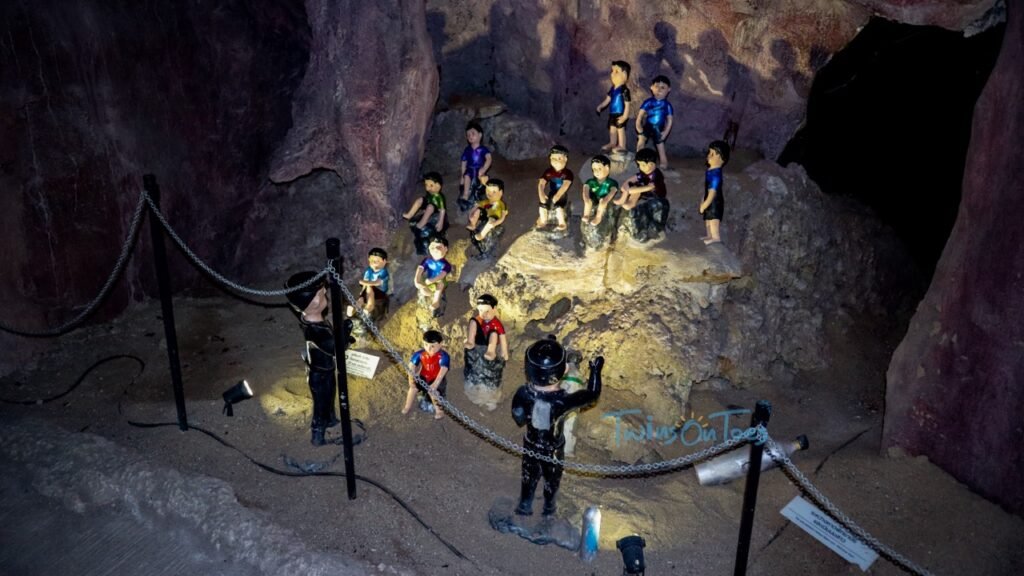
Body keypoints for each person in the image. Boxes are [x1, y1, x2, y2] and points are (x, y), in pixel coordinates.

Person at [512, 336, 604, 516]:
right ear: (565, 370)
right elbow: (592, 394)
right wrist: (595, 371)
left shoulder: (523, 393)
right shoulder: (562, 401)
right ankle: (548, 509)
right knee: (551, 480)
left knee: (528, 477)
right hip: (553, 448)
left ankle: (525, 505)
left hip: (531, 443)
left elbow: (519, 417)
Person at [285, 271, 339, 446]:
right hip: (320, 374)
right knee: (321, 404)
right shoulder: (317, 330)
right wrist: (345, 332)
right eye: (323, 294)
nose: (326, 297)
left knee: (330, 396)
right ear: (315, 302)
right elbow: (333, 347)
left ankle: (331, 419)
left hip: (325, 370)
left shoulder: (311, 321)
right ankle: (318, 432)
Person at [402, 329, 450, 420]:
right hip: (423, 376)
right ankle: (407, 406)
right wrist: (411, 378)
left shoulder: (443, 356)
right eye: (426, 345)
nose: (428, 348)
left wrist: (435, 384)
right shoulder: (420, 354)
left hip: (436, 378)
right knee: (413, 388)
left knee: (433, 392)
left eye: (433, 346)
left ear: (440, 344)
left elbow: (443, 370)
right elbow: (411, 366)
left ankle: (439, 410)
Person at [402, 172, 448, 254]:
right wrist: (424, 207)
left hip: (435, 211)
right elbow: (427, 199)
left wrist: (440, 222)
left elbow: (442, 210)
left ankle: (422, 223)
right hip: (429, 205)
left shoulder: (439, 197)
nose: (427, 188)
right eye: (426, 185)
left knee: (430, 207)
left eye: (431, 185)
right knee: (420, 200)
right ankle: (410, 214)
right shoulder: (429, 193)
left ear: (438, 186)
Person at [635, 75, 675, 169]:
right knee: (641, 141)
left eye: (663, 87)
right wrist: (638, 125)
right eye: (656, 86)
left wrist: (665, 132)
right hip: (647, 126)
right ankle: (639, 159)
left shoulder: (667, 105)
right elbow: (640, 115)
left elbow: (670, 120)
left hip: (658, 129)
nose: (659, 90)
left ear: (668, 89)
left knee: (660, 145)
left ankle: (663, 161)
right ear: (651, 87)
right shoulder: (648, 102)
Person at [595, 60, 632, 153]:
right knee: (612, 129)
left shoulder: (625, 90)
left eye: (616, 71)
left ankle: (622, 145)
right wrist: (601, 106)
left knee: (620, 129)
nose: (612, 74)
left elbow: (627, 104)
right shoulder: (612, 89)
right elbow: (607, 100)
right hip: (612, 113)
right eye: (612, 71)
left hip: (620, 113)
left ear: (624, 74)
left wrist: (625, 116)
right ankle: (612, 142)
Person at [536, 145, 574, 232]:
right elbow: (541, 183)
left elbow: (565, 186)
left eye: (559, 158)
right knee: (542, 204)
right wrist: (541, 193)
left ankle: (562, 222)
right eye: (554, 159)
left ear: (565, 159)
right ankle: (543, 219)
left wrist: (557, 196)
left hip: (561, 195)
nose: (556, 161)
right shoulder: (549, 172)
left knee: (558, 206)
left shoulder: (568, 174)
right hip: (551, 193)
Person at [700, 140, 730, 245]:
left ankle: (715, 237)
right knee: (708, 219)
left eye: (712, 154)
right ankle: (709, 235)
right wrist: (703, 199)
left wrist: (705, 204)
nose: (709, 156)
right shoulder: (710, 171)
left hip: (714, 201)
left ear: (721, 158)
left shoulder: (716, 174)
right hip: (709, 199)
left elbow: (712, 191)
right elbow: (707, 189)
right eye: (709, 153)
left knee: (713, 219)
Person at [464, 293, 509, 362]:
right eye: (481, 311)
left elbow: (502, 338)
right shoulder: (479, 319)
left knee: (493, 333)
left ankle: (491, 351)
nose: (483, 314)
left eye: (487, 311)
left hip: (490, 341)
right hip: (481, 339)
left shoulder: (496, 324)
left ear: (494, 309)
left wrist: (504, 352)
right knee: (473, 321)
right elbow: (474, 328)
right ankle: (471, 342)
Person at [348, 247, 389, 318]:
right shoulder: (368, 271)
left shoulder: (383, 272)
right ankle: (355, 307)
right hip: (368, 291)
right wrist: (362, 291)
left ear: (384, 262)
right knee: (361, 297)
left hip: (380, 292)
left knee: (369, 286)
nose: (374, 263)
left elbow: (377, 283)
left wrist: (364, 283)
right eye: (372, 261)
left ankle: (370, 306)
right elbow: (365, 281)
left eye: (377, 261)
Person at [459, 121, 492, 209]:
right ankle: (466, 194)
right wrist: (462, 175)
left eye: (473, 134)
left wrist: (484, 168)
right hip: (470, 170)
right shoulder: (467, 150)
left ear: (480, 135)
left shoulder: (482, 149)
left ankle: (483, 196)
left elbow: (489, 158)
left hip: (479, 170)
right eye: (468, 135)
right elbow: (464, 162)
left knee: (482, 181)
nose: (470, 136)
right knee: (466, 177)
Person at [414, 236, 452, 312]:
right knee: (423, 290)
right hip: (428, 281)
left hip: (439, 281)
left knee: (440, 284)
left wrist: (433, 280)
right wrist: (417, 279)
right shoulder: (427, 260)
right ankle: (429, 293)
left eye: (439, 247)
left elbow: (442, 275)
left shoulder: (446, 264)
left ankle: (436, 302)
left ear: (446, 249)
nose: (435, 249)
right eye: (433, 246)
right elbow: (420, 268)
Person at [581, 155, 619, 227]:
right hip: (594, 198)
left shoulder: (612, 183)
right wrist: (586, 199)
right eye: (594, 169)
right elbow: (585, 190)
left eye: (599, 169)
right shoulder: (590, 181)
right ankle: (586, 214)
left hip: (605, 199)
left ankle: (598, 217)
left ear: (607, 168)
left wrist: (605, 200)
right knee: (589, 201)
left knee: (602, 202)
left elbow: (611, 193)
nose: (596, 172)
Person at [466, 178, 508, 243]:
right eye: (488, 190)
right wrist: (471, 214)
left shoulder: (501, 204)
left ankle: (481, 235)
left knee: (491, 219)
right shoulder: (486, 201)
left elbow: (503, 217)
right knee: (478, 210)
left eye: (494, 192)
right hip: (485, 216)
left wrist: (496, 223)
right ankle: (473, 224)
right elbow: (476, 206)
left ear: (500, 193)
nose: (490, 193)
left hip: (494, 218)